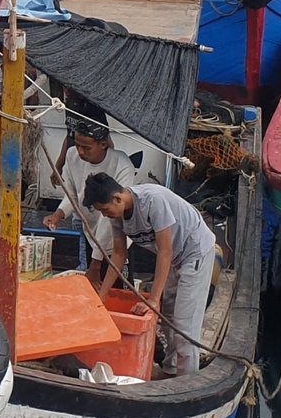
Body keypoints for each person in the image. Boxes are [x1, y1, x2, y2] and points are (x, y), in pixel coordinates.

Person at [83, 174, 217, 377]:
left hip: (194, 251)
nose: (105, 215)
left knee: (184, 325)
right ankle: (171, 369)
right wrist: (101, 295)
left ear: (117, 198)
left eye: (105, 210)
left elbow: (165, 251)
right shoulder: (116, 216)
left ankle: (187, 380)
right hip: (173, 258)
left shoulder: (152, 200)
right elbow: (119, 254)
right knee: (169, 315)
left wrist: (153, 300)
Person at [43, 123, 141, 283]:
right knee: (94, 287)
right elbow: (73, 194)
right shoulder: (72, 155)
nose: (80, 152)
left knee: (117, 290)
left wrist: (96, 263)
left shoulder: (121, 164)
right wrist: (58, 215)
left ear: (103, 144)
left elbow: (109, 217)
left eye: (87, 148)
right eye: (77, 145)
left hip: (116, 240)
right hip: (91, 235)